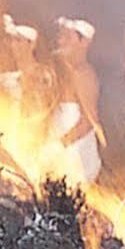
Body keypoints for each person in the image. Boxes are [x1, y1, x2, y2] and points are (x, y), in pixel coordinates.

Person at [48, 16, 102, 185]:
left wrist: (59, 145)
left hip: (77, 157)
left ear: (84, 42)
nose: (60, 41)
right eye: (60, 36)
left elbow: (88, 121)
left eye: (67, 37)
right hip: (65, 153)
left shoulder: (83, 73)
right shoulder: (68, 72)